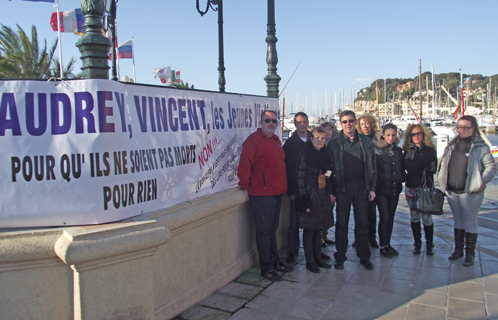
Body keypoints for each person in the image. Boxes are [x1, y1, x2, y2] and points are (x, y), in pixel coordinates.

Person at [237, 110, 293, 282]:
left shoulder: (276, 140)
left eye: (274, 121)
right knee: (264, 232)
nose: (271, 124)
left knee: (271, 230)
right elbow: (244, 165)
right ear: (260, 122)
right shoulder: (253, 141)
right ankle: (266, 268)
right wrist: (244, 186)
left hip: (276, 193)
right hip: (262, 195)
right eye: (267, 120)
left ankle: (275, 262)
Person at [437, 115, 497, 266]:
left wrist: (481, 182)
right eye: (459, 127)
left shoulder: (480, 147)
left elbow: (491, 166)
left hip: (471, 191)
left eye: (466, 127)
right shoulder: (451, 146)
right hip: (452, 190)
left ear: (473, 129)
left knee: (470, 222)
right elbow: (444, 164)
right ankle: (458, 250)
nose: (462, 130)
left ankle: (470, 253)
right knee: (458, 220)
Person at [328, 111, 377, 270]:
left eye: (350, 121)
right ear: (340, 124)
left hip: (362, 188)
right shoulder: (334, 144)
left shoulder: (365, 141)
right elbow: (328, 169)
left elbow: (373, 167)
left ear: (355, 122)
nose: (348, 124)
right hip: (342, 188)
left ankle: (364, 257)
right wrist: (331, 192)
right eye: (344, 122)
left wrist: (372, 188)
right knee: (341, 224)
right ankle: (340, 257)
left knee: (363, 223)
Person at [295, 127, 335, 273]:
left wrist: (330, 193)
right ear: (311, 138)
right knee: (309, 229)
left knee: (318, 228)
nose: (320, 140)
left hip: (322, 193)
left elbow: (330, 174)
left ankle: (318, 257)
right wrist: (304, 201)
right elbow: (299, 179)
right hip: (310, 194)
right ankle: (310, 261)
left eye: (323, 138)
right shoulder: (304, 155)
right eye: (317, 137)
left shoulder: (326, 153)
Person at [402, 123, 437, 256]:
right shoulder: (407, 150)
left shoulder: (430, 150)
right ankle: (417, 243)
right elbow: (408, 167)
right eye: (413, 134)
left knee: (427, 217)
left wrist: (416, 165)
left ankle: (429, 243)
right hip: (412, 187)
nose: (416, 136)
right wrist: (423, 165)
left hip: (426, 187)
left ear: (423, 134)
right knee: (414, 215)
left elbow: (432, 169)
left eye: (419, 133)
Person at [283, 112, 313, 265]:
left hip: (313, 189)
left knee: (313, 223)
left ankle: (313, 253)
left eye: (305, 122)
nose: (303, 125)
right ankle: (293, 252)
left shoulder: (315, 140)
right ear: (294, 124)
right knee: (294, 224)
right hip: (296, 189)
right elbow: (287, 169)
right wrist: (291, 192)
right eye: (300, 122)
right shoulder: (289, 144)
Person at [374, 124, 405, 258]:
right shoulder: (378, 150)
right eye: (388, 135)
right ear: (383, 135)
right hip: (381, 189)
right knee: (384, 217)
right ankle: (383, 245)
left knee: (390, 217)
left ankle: (388, 243)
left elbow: (401, 167)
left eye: (393, 135)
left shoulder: (398, 150)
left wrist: (402, 178)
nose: (391, 138)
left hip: (395, 188)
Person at [356, 113, 381, 248]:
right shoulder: (358, 140)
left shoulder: (378, 140)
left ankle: (372, 237)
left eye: (368, 123)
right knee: (361, 213)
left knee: (372, 213)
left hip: (376, 181)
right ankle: (360, 238)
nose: (365, 126)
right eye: (362, 124)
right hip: (363, 182)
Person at [320, 121, 338, 247]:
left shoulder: (337, 145)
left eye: (329, 130)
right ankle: (320, 237)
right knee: (321, 211)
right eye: (325, 130)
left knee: (329, 211)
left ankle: (325, 235)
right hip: (324, 181)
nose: (327, 132)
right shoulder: (320, 145)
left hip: (336, 182)